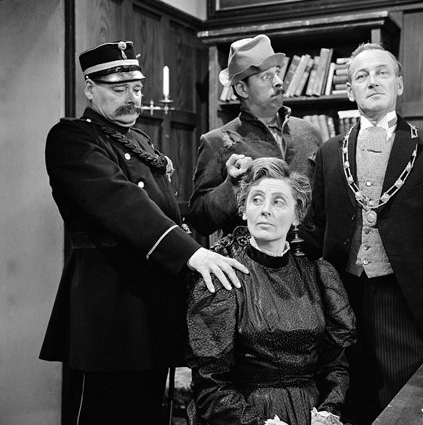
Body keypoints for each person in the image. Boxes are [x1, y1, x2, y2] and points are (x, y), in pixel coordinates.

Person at [39, 41, 249, 425]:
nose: (131, 98)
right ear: (90, 88)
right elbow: (122, 203)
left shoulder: (139, 140)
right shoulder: (73, 138)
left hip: (153, 304)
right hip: (108, 307)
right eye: (119, 89)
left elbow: (167, 212)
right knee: (105, 414)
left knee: (148, 412)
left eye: (136, 88)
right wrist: (192, 253)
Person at [302, 42, 423, 425]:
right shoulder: (329, 152)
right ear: (350, 90)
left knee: (405, 403)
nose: (372, 82)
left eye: (382, 73)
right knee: (353, 398)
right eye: (361, 76)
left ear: (399, 84)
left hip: (407, 302)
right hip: (344, 298)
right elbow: (316, 228)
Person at [186, 157, 357, 425]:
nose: (265, 210)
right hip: (245, 416)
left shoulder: (318, 276)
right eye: (256, 200)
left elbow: (334, 366)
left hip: (310, 414)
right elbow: (210, 385)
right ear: (243, 210)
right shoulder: (225, 279)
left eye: (278, 202)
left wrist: (328, 411)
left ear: (297, 215)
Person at [189, 34, 323, 237]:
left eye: (277, 73)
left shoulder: (309, 132)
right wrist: (232, 186)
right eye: (266, 77)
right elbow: (200, 221)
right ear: (242, 89)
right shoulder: (215, 142)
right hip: (250, 255)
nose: (278, 82)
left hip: (307, 254)